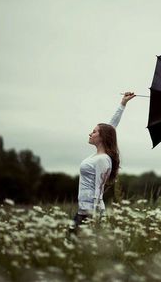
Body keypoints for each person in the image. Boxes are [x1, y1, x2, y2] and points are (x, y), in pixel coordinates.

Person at [68, 92, 136, 235]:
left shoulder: (103, 160)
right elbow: (110, 127)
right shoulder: (97, 156)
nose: (90, 134)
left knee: (75, 245)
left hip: (89, 213)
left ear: (102, 137)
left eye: (94, 132)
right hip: (83, 210)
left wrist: (94, 218)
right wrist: (123, 104)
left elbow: (98, 191)